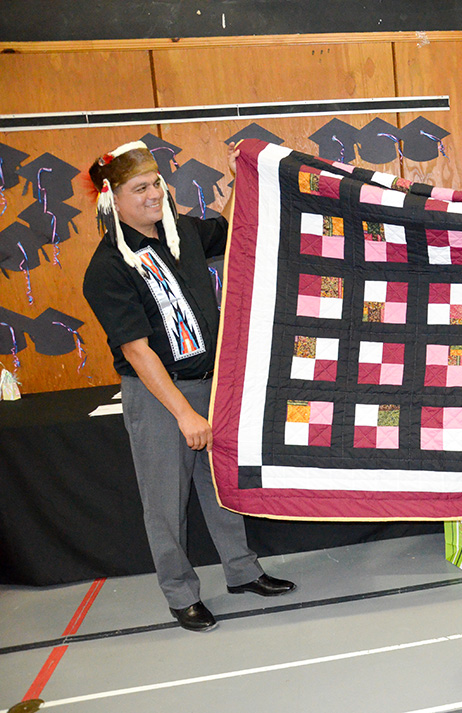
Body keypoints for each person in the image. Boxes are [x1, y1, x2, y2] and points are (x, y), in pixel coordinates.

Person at [82, 140, 296, 631]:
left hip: (211, 385)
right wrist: (183, 413)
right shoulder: (109, 268)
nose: (155, 194)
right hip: (160, 397)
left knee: (219, 486)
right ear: (112, 199)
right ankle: (180, 594)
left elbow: (232, 223)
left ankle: (241, 571)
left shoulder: (181, 235)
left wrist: (242, 170)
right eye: (140, 188)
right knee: (165, 501)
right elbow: (138, 351)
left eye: (157, 182)